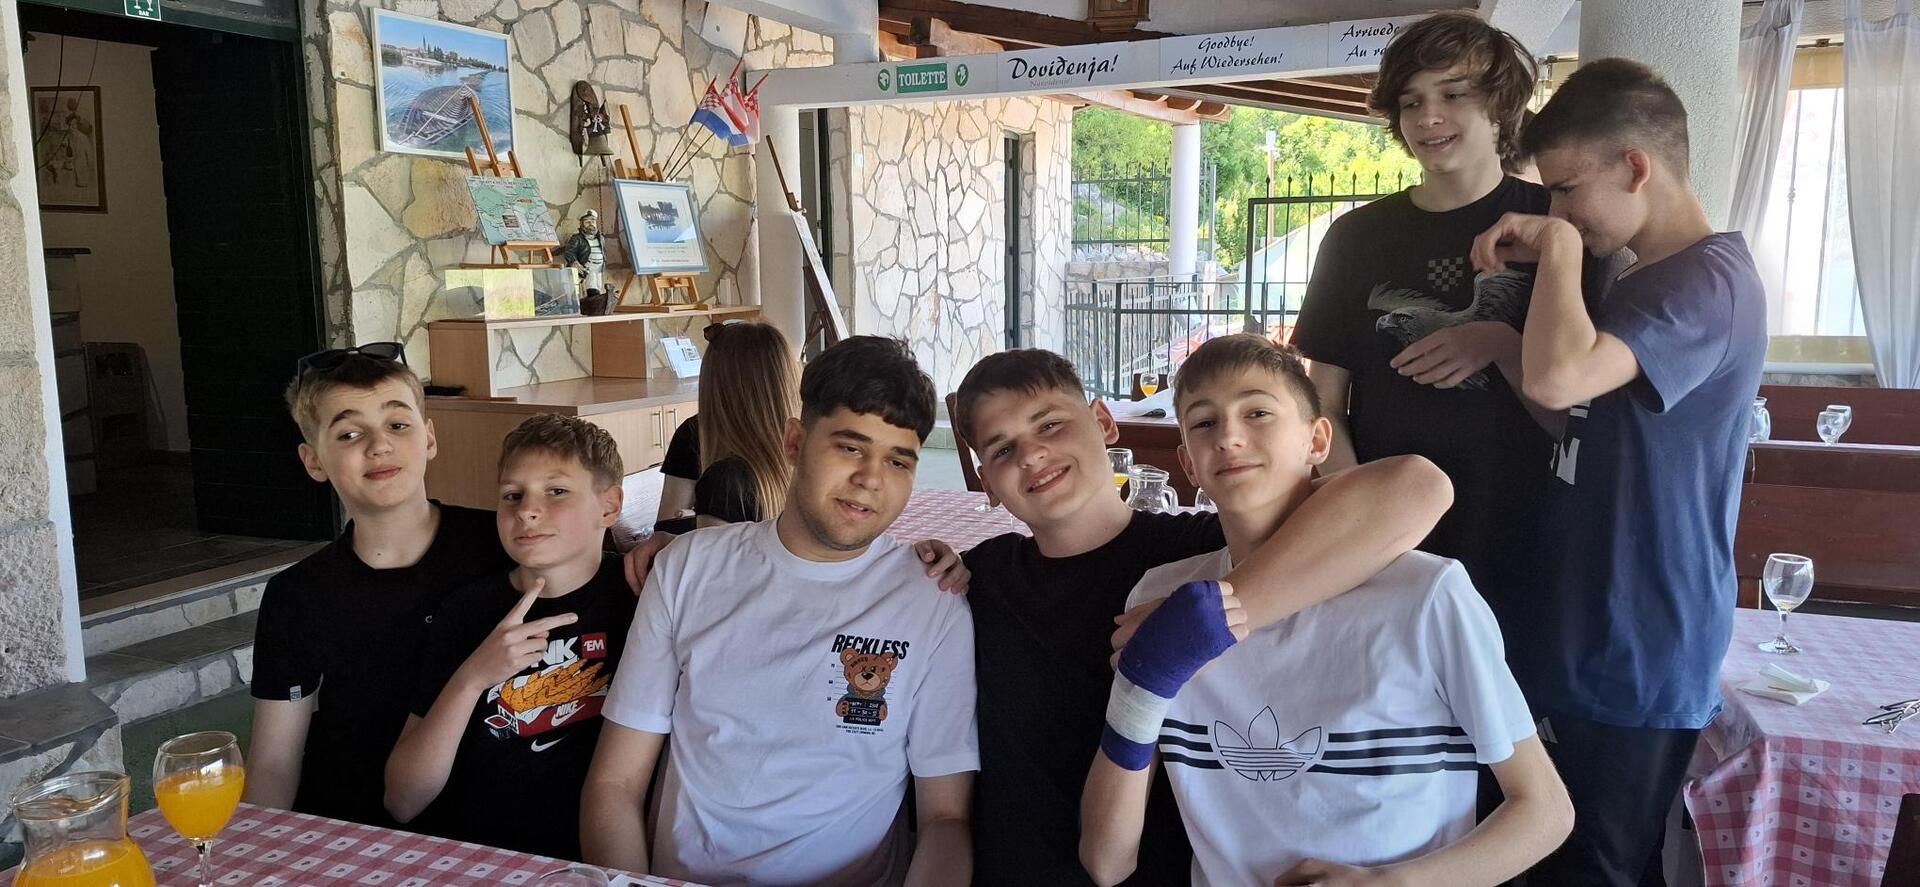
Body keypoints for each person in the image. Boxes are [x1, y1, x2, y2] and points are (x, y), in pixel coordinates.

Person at [1079, 334, 1572, 886]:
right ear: (1187, 464)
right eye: (1204, 422)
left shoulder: (1426, 594)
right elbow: (1107, 861)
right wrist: (1144, 685)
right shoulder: (1160, 598)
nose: (1229, 437)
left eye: (1257, 412)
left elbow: (1545, 812)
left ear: (1317, 440)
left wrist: (1385, 886)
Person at [948, 348, 1454, 886]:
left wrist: (1215, 613)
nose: (1032, 454)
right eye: (1003, 449)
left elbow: (1418, 487)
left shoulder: (1204, 555)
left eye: (1050, 424)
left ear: (1103, 423)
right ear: (986, 483)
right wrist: (926, 560)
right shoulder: (979, 577)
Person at [1469, 58, 1767, 885]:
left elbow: (1559, 379)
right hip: (1588, 626)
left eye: (1567, 190)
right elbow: (1580, 419)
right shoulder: (1648, 277)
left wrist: (1560, 251)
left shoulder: (1707, 282)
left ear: (1636, 166)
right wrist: (1498, 344)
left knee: (1600, 868)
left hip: (1639, 639)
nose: (1557, 212)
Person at [583, 337, 976, 885]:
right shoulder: (688, 569)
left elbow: (945, 818)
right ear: (795, 441)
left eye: (897, 460)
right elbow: (615, 785)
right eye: (850, 447)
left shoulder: (933, 599)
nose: (871, 478)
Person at [1289, 12, 1600, 641]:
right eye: (1412, 102)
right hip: (1388, 544)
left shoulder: (1559, 229)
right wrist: (1360, 519)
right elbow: (1323, 402)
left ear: (1502, 108)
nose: (1429, 117)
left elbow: (1583, 415)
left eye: (1454, 95)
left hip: (1526, 537)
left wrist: (1501, 346)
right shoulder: (1356, 238)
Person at [245, 343, 515, 826]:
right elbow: (273, 762)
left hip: (496, 822)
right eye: (349, 434)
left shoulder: (505, 544)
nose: (379, 446)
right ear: (313, 461)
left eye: (398, 425)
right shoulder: (297, 594)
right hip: (355, 825)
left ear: (429, 437)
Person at [384, 414, 635, 861]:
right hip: (485, 857)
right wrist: (472, 678)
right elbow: (403, 799)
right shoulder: (467, 610)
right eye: (512, 495)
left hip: (604, 855)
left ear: (609, 506)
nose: (526, 510)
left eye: (556, 491)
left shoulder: (644, 598)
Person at [654, 320, 797, 534]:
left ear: (713, 380)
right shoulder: (808, 439)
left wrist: (701, 520)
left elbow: (666, 531)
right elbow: (668, 526)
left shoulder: (718, 469)